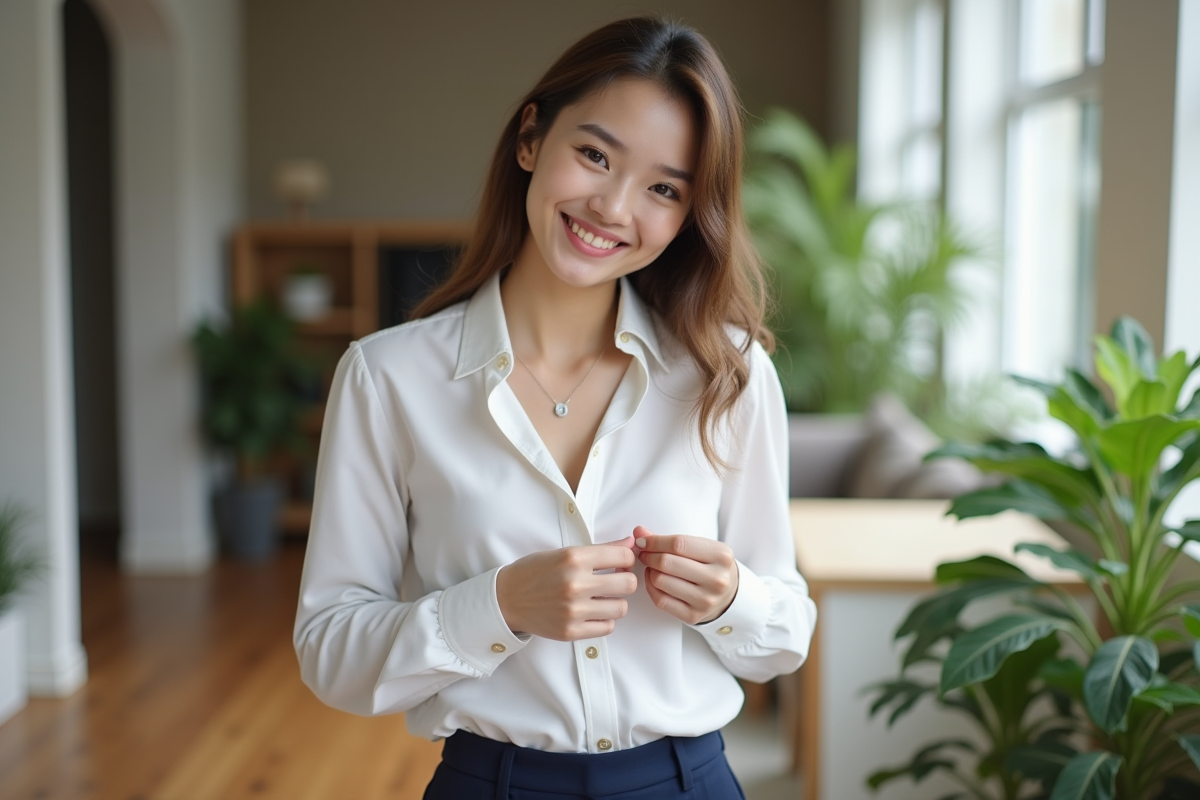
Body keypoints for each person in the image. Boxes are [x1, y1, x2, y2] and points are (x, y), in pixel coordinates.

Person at [293, 16, 817, 800]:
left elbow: (785, 636)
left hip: (687, 782)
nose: (613, 206)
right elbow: (331, 650)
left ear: (688, 213)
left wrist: (731, 600)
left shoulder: (728, 373)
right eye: (595, 154)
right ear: (531, 140)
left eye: (663, 188)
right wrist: (498, 605)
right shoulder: (387, 378)